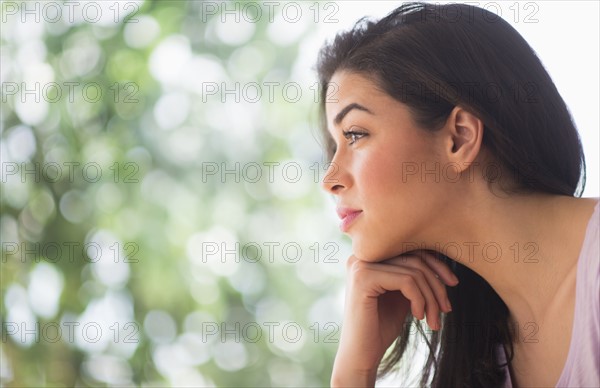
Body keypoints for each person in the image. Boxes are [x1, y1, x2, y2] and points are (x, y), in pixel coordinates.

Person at [315, 2, 599, 387]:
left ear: (459, 137)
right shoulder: (485, 351)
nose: (329, 179)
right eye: (335, 147)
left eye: (355, 135)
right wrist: (354, 372)